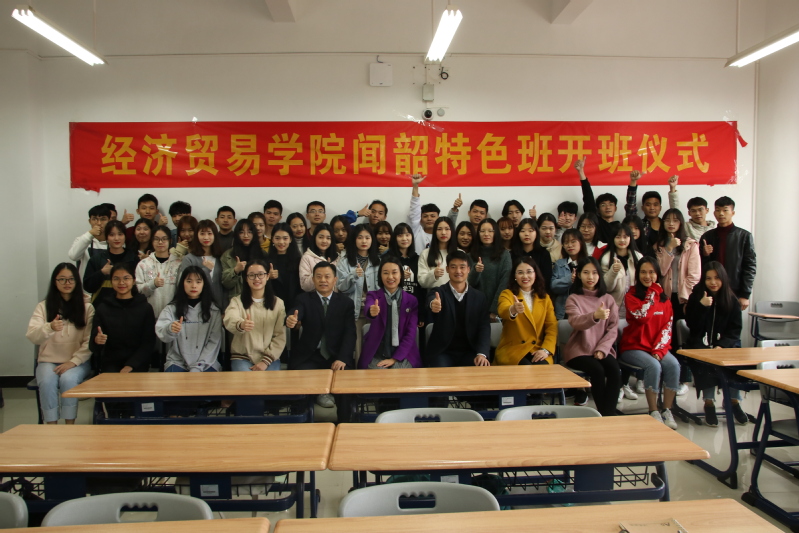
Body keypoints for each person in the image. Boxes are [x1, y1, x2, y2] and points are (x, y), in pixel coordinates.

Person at [286, 262, 356, 420]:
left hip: (336, 356)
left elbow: (350, 333)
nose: (323, 280)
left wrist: (343, 358)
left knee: (345, 383)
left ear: (335, 279)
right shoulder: (304, 299)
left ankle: (344, 424)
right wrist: (291, 319)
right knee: (299, 382)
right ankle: (301, 423)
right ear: (313, 279)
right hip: (309, 356)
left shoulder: (346, 303)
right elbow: (296, 312)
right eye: (318, 276)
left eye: (327, 276)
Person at [26, 263, 93, 424]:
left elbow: (89, 341)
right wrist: (49, 327)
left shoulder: (87, 307)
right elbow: (32, 336)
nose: (67, 283)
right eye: (62, 279)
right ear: (55, 282)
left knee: (68, 380)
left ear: (77, 282)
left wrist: (73, 362)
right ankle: (52, 426)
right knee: (47, 382)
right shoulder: (43, 307)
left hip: (77, 361)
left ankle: (69, 425)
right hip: (48, 360)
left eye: (71, 279)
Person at [619, 258, 680, 430]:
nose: (648, 276)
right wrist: (653, 292)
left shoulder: (665, 300)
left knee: (674, 365)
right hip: (633, 347)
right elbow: (642, 316)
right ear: (637, 274)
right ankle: (653, 411)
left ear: (658, 274)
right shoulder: (631, 296)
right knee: (653, 366)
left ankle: (667, 409)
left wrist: (659, 350)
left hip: (656, 347)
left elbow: (667, 327)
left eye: (652, 272)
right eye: (643, 272)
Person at [684, 262, 747, 426]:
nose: (713, 282)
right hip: (701, 344)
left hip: (724, 345)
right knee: (707, 362)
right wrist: (702, 307)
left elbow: (735, 330)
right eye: (708, 278)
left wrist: (722, 345)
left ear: (723, 279)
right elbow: (692, 325)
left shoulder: (731, 299)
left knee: (735, 361)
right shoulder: (696, 297)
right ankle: (709, 402)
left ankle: (733, 401)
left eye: (717, 278)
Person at [563, 257, 621, 416]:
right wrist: (594, 316)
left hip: (602, 348)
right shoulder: (573, 298)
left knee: (614, 369)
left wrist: (602, 349)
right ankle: (606, 413)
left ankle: (608, 412)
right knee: (597, 370)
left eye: (595, 273)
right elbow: (576, 322)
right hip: (579, 350)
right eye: (586, 272)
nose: (591, 277)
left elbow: (613, 328)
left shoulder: (608, 299)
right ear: (578, 275)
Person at [425, 251, 491, 367]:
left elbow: (484, 327)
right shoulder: (439, 292)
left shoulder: (479, 297)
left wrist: (482, 353)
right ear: (447, 269)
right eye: (453, 267)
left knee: (481, 368)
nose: (458, 271)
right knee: (441, 373)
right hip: (443, 352)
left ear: (469, 269)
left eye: (462, 267)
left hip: (470, 351)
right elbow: (430, 299)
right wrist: (432, 304)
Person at [90, 263, 156, 373]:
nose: (121, 283)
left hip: (138, 363)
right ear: (111, 281)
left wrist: (131, 365)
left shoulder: (145, 308)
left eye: (126, 278)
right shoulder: (103, 308)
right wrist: (97, 340)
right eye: (116, 279)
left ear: (133, 280)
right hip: (111, 363)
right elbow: (93, 346)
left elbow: (148, 343)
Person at [157, 266, 222, 372]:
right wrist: (170, 329)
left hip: (207, 362)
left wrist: (198, 366)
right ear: (182, 283)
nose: (193, 285)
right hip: (177, 362)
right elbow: (162, 334)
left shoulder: (214, 310)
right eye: (189, 281)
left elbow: (214, 342)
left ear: (204, 284)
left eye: (198, 282)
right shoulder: (172, 308)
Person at [360, 256, 421, 369]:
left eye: (394, 272)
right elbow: (369, 306)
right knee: (378, 376)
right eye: (385, 273)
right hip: (377, 352)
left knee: (398, 373)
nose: (390, 277)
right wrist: (371, 311)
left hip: (404, 353)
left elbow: (410, 333)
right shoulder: (373, 295)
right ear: (380, 276)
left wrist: (395, 359)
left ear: (401, 275)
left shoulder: (411, 301)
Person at [224, 260, 287, 371]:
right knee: (246, 381)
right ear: (246, 278)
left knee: (271, 382)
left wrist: (265, 361)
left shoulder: (278, 303)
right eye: (251, 275)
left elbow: (279, 336)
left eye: (260, 274)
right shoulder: (237, 301)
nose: (256, 279)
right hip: (242, 356)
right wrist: (241, 324)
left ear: (267, 276)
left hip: (269, 358)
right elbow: (229, 319)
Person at [495, 257, 557, 365]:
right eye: (520, 272)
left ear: (535, 274)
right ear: (514, 276)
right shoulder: (507, 294)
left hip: (537, 348)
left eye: (529, 272)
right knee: (526, 369)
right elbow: (503, 310)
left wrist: (545, 350)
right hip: (513, 350)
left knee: (542, 367)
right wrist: (513, 309)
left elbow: (551, 327)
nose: (525, 276)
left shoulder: (545, 298)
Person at [699, 196, 756, 311]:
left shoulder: (744, 236)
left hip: (734, 290)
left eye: (725, 210)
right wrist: (705, 254)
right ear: (714, 213)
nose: (721, 214)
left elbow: (750, 267)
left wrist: (745, 294)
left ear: (732, 213)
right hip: (712, 289)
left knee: (732, 321)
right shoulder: (707, 236)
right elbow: (701, 267)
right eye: (718, 210)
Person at [337, 224, 380, 361]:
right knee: (357, 348)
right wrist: (353, 275)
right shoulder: (344, 261)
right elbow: (341, 287)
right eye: (360, 237)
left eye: (367, 237)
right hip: (353, 310)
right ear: (354, 239)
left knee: (373, 347)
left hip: (374, 310)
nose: (364, 241)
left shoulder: (378, 261)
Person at [83, 220, 137, 305]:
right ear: (106, 237)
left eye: (120, 234)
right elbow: (88, 287)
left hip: (129, 306)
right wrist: (102, 273)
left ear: (125, 236)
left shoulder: (133, 258)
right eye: (112, 235)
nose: (116, 238)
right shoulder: (96, 259)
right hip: (102, 307)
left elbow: (139, 286)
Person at [135, 225, 181, 321]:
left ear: (170, 241)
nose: (160, 242)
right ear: (152, 241)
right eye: (156, 239)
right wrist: (153, 284)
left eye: (164, 239)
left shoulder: (178, 264)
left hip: (172, 317)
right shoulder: (143, 264)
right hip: (148, 316)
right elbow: (138, 292)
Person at [469, 219, 511, 321]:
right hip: (474, 309)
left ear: (496, 233)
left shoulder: (504, 255)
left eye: (490, 231)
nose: (486, 234)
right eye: (482, 231)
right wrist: (476, 271)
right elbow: (469, 284)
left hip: (497, 310)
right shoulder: (470, 255)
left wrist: (494, 310)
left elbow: (504, 282)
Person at [177, 219, 225, 309]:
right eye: (202, 234)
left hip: (218, 307)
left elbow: (224, 287)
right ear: (197, 235)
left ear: (215, 235)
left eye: (209, 233)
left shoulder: (220, 258)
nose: (206, 237)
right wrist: (206, 270)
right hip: (196, 308)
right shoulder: (189, 259)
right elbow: (183, 284)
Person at [407, 174, 458, 254]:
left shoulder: (443, 235)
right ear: (420, 219)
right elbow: (414, 211)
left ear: (438, 218)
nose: (429, 219)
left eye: (433, 216)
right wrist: (415, 186)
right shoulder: (416, 231)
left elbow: (449, 223)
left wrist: (454, 209)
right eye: (425, 216)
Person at [598, 224, 642, 314]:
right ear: (613, 238)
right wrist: (613, 272)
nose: (622, 240)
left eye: (625, 237)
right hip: (613, 307)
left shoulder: (638, 257)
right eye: (618, 237)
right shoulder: (606, 259)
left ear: (630, 238)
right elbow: (607, 288)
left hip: (635, 306)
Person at [577, 157, 620, 244]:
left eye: (611, 204)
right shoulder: (596, 223)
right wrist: (581, 172)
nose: (607, 207)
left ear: (615, 208)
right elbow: (588, 199)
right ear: (598, 210)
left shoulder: (620, 227)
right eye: (603, 205)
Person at [388, 223, 424, 325]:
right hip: (394, 307)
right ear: (395, 238)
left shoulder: (418, 259)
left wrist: (421, 314)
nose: (404, 238)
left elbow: (421, 289)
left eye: (407, 235)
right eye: (400, 235)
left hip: (414, 308)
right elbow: (384, 283)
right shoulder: (389, 259)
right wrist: (399, 276)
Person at [221, 219, 266, 302]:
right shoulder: (228, 255)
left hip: (259, 299)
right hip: (237, 300)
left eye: (249, 232)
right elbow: (226, 284)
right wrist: (235, 270)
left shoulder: (262, 254)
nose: (246, 235)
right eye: (241, 232)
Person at [550, 229, 587, 319]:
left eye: (573, 241)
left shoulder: (588, 263)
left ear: (581, 242)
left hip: (584, 310)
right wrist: (569, 279)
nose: (569, 245)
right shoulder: (559, 264)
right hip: (563, 311)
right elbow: (553, 286)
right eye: (566, 243)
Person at [68, 204, 110, 280]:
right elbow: (73, 256)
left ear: (109, 221)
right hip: (86, 285)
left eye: (103, 219)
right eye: (94, 219)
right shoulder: (82, 239)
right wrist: (90, 234)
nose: (99, 223)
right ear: (89, 221)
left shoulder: (115, 241)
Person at [510, 218, 553, 290]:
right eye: (523, 231)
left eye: (530, 231)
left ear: (537, 233)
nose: (526, 234)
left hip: (540, 292)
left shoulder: (544, 254)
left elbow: (547, 279)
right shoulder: (512, 254)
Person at [418, 217, 457, 289]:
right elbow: (422, 281)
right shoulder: (425, 253)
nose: (443, 232)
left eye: (447, 229)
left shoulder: (459, 253)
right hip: (434, 293)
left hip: (455, 293)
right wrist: (433, 274)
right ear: (434, 232)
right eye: (439, 229)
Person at [300, 223, 338, 292]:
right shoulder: (307, 257)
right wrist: (320, 270)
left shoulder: (337, 257)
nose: (324, 241)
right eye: (321, 237)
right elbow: (305, 286)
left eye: (328, 238)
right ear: (314, 238)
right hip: (314, 297)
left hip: (334, 297)